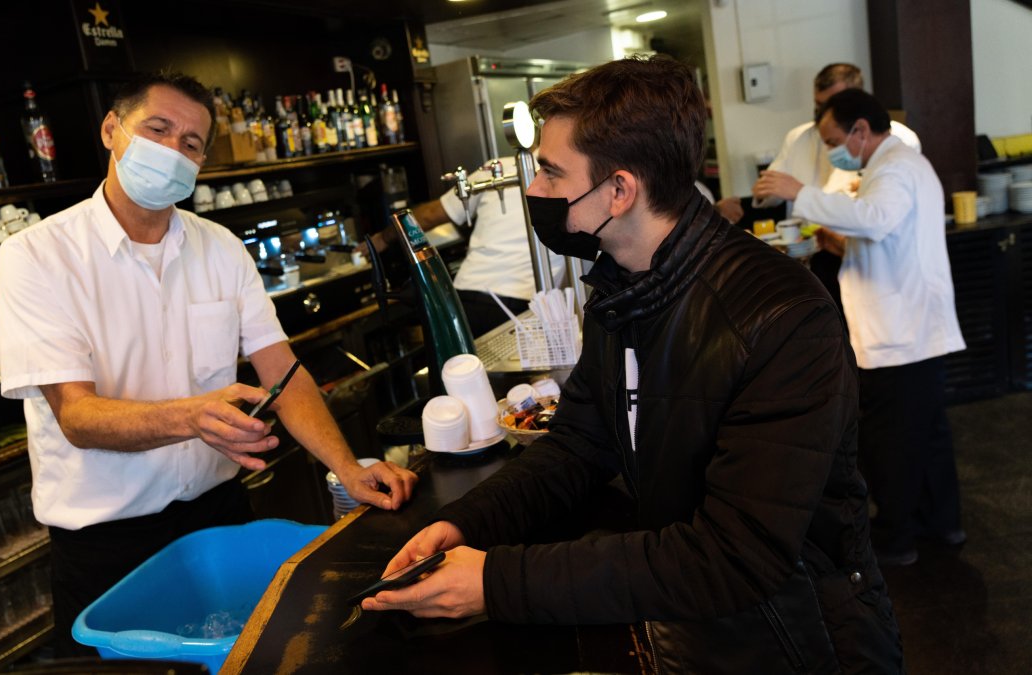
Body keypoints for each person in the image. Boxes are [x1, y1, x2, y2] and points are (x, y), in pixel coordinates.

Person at [363, 56, 903, 673]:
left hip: (797, 635)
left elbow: (733, 557)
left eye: (548, 171)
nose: (532, 191)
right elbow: (576, 447)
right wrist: (465, 527)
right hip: (690, 621)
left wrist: (496, 581)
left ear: (619, 191)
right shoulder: (625, 289)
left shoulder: (783, 319)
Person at [0, 72, 417, 656]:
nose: (173, 151)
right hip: (105, 543)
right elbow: (78, 417)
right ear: (111, 130)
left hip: (220, 517)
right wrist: (192, 417)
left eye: (192, 144)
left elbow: (282, 371)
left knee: (252, 662)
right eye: (158, 129)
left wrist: (347, 469)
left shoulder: (220, 247)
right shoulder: (37, 256)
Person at [754, 88, 967, 568]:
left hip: (902, 333)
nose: (833, 150)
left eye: (833, 139)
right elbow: (887, 240)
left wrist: (799, 194)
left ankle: (896, 539)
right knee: (927, 436)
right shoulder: (895, 168)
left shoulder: (895, 167)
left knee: (892, 442)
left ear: (860, 131)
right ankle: (944, 524)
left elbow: (875, 220)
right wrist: (838, 244)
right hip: (909, 326)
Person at [363, 157, 564, 336]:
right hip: (520, 306)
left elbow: (428, 216)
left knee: (456, 373)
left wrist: (381, 239)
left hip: (461, 301)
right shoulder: (567, 175)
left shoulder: (497, 166)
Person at [715, 62, 921, 225]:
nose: (823, 114)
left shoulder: (898, 143)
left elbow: (873, 216)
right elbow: (775, 190)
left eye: (832, 105)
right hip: (807, 241)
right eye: (818, 105)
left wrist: (801, 193)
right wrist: (766, 191)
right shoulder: (799, 137)